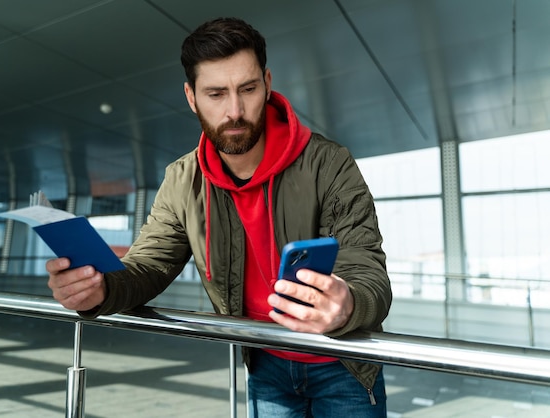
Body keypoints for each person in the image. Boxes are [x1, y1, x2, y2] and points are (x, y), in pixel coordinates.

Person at [47, 17, 392, 418]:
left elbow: (368, 269)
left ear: (267, 82)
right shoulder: (182, 181)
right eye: (216, 94)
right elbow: (149, 266)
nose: (235, 111)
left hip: (342, 363)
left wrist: (348, 303)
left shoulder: (329, 163)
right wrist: (100, 289)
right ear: (191, 97)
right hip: (266, 364)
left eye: (247, 89)